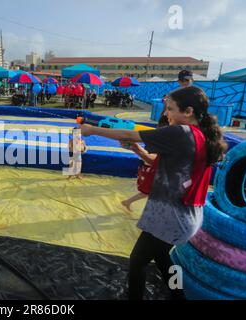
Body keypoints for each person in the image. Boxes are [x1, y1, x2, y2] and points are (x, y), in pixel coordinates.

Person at [80, 86, 227, 300]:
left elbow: (127, 133)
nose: (166, 113)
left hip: (171, 217)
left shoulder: (181, 132)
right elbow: (161, 165)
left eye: (170, 109)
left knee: (137, 261)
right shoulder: (199, 135)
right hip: (187, 216)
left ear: (188, 112)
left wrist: (91, 130)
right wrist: (137, 150)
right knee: (162, 258)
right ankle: (178, 293)